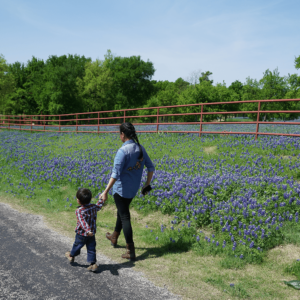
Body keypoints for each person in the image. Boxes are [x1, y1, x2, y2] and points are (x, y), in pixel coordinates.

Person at [100, 122, 155, 261]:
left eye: (120, 133)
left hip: (121, 190)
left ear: (122, 135)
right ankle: (114, 237)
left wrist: (105, 191)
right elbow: (151, 168)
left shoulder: (122, 151)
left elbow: (115, 174)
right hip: (133, 189)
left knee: (125, 217)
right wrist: (146, 184)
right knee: (122, 212)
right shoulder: (140, 148)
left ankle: (130, 250)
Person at [65, 188, 104, 272]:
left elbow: (82, 222)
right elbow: (99, 206)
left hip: (81, 233)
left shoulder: (79, 211)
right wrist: (101, 199)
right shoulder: (93, 206)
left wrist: (87, 230)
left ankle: (71, 255)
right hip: (92, 234)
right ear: (90, 199)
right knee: (91, 248)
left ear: (78, 201)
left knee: (77, 245)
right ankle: (93, 264)